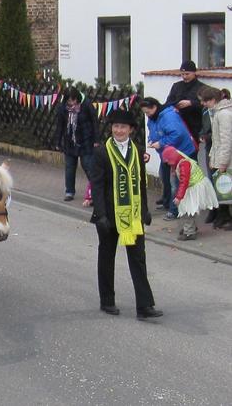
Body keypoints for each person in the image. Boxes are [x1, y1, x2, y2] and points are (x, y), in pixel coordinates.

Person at [89, 110, 162, 320]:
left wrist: (145, 210)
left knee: (138, 259)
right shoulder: (102, 152)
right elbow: (97, 185)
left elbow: (141, 183)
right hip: (109, 215)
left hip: (133, 214)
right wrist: (100, 215)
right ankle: (107, 300)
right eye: (115, 126)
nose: (118, 130)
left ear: (131, 129)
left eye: (123, 127)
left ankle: (145, 305)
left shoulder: (138, 151)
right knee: (106, 257)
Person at [139, 97, 196, 220]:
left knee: (176, 183)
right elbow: (152, 130)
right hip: (168, 154)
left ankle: (174, 210)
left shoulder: (169, 116)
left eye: (147, 112)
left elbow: (177, 134)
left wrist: (160, 143)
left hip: (181, 153)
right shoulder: (153, 117)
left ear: (154, 107)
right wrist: (151, 139)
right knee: (164, 177)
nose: (147, 115)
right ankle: (167, 202)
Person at [161, 146, 218, 241]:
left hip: (195, 187)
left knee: (188, 210)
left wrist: (179, 197)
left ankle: (189, 232)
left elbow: (184, 182)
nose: (167, 163)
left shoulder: (184, 165)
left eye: (168, 161)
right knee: (188, 209)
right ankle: (190, 228)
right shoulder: (180, 158)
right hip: (193, 186)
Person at [55, 87, 99, 201]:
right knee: (69, 167)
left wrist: (96, 140)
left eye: (73, 100)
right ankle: (69, 191)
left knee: (88, 166)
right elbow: (60, 125)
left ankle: (95, 192)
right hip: (70, 140)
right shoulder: (62, 108)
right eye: (69, 101)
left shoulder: (86, 104)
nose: (71, 103)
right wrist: (57, 141)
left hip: (86, 139)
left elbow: (95, 122)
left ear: (77, 98)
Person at [198, 86, 232, 229]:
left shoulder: (223, 114)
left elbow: (226, 140)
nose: (203, 104)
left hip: (227, 159)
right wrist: (213, 158)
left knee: (228, 189)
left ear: (212, 100)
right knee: (225, 190)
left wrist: (222, 163)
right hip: (222, 157)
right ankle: (225, 217)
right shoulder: (216, 112)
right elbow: (216, 140)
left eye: (205, 102)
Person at [164, 60, 205, 143]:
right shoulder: (176, 86)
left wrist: (191, 103)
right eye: (182, 74)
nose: (184, 77)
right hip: (176, 125)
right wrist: (175, 106)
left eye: (187, 74)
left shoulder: (202, 87)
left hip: (193, 127)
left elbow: (205, 106)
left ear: (194, 73)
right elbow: (167, 103)